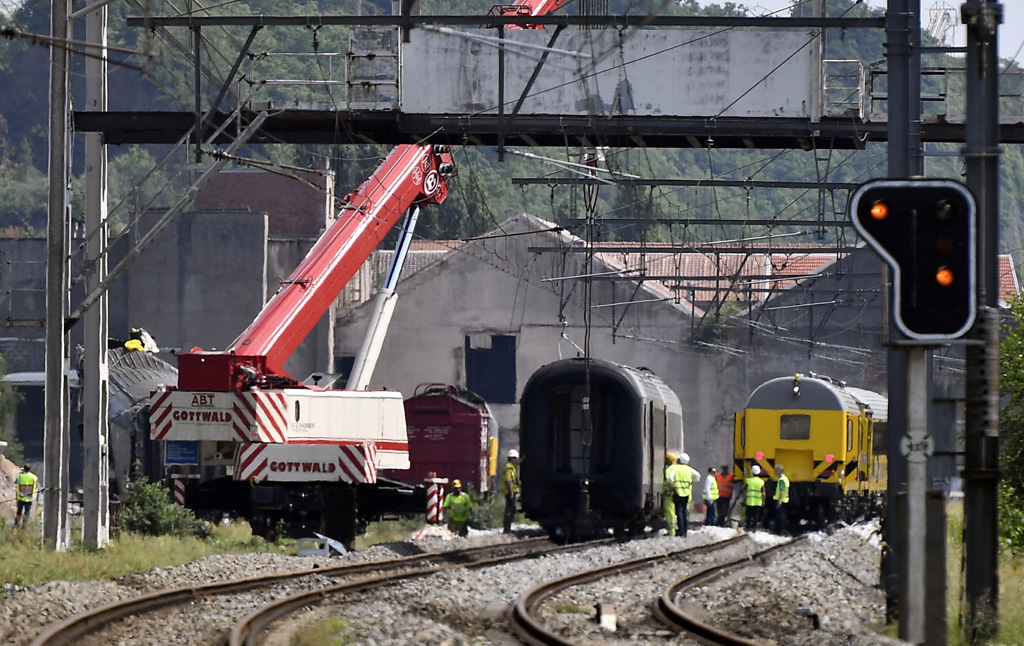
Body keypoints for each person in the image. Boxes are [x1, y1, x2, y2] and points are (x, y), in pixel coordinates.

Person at [673, 453, 701, 537]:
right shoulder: (689, 470)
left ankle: (680, 531)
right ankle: (685, 531)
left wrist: (672, 485)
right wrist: (692, 482)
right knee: (685, 512)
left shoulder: (676, 469)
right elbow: (698, 476)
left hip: (677, 492)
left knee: (679, 512)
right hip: (686, 493)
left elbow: (670, 478)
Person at [501, 449, 521, 534]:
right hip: (510, 493)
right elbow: (509, 481)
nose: (516, 461)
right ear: (512, 458)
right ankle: (506, 529)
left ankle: (507, 528)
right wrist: (512, 493)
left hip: (511, 492)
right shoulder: (509, 468)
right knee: (510, 510)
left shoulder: (510, 466)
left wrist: (523, 459)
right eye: (516, 459)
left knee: (511, 509)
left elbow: (517, 464)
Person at [15, 463, 38, 528]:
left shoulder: (20, 476)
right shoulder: (34, 477)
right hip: (29, 498)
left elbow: (15, 482)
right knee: (27, 512)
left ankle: (16, 524)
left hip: (21, 497)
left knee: (19, 511)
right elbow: (36, 485)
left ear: (24, 468)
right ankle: (24, 526)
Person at [744, 465, 765, 531]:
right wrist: (763, 501)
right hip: (758, 502)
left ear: (752, 472)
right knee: (756, 516)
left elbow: (745, 491)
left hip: (749, 501)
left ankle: (747, 527)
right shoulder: (761, 482)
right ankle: (754, 528)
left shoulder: (748, 481)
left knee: (749, 516)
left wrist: (744, 500)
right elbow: (764, 493)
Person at [662, 453, 678, 536]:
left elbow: (670, 480)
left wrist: (670, 490)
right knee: (674, 510)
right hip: (677, 492)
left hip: (668, 493)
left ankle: (671, 530)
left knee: (669, 510)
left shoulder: (669, 469)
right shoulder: (676, 468)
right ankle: (675, 528)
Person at [773, 464, 790, 535]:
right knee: (782, 516)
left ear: (779, 471)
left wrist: (779, 500)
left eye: (776, 471)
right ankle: (782, 530)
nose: (775, 473)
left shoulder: (782, 480)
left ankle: (781, 530)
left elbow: (782, 490)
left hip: (781, 500)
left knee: (780, 517)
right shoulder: (785, 478)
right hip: (784, 500)